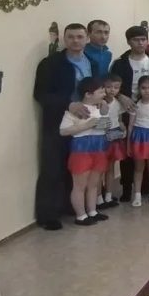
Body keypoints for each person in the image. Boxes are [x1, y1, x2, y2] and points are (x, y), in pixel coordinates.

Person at [33, 23, 94, 230]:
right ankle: (48, 215)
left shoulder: (91, 62)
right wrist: (68, 104)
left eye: (80, 36)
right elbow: (41, 94)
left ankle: (72, 206)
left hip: (84, 122)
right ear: (64, 39)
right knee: (53, 167)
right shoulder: (50, 64)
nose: (75, 41)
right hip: (57, 122)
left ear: (87, 38)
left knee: (77, 166)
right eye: (71, 37)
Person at [110, 25, 149, 202]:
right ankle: (127, 187)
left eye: (143, 39)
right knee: (130, 150)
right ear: (129, 42)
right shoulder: (120, 63)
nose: (140, 43)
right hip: (128, 109)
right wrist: (121, 96)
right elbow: (112, 86)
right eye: (136, 40)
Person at [59, 77, 109, 227]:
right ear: (88, 94)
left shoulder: (99, 107)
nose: (104, 94)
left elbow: (104, 115)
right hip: (81, 149)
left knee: (94, 183)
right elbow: (63, 131)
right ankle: (81, 215)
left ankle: (92, 211)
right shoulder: (76, 110)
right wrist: (86, 125)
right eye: (101, 92)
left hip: (98, 147)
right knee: (80, 185)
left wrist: (105, 124)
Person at [126, 75, 149, 207]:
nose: (147, 91)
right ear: (139, 89)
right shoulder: (135, 105)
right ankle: (137, 194)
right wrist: (128, 144)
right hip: (138, 137)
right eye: (143, 88)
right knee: (138, 168)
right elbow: (130, 126)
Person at [99, 74, 126, 209]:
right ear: (103, 87)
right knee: (99, 169)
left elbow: (119, 120)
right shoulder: (99, 103)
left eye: (116, 87)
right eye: (109, 87)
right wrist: (105, 131)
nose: (112, 90)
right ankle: (99, 198)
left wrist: (123, 128)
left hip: (114, 136)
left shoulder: (118, 103)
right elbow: (98, 122)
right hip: (101, 137)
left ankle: (109, 196)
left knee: (110, 168)